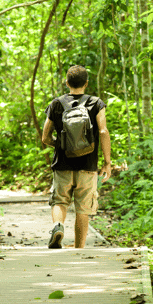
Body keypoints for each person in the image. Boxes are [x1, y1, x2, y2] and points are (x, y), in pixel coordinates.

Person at [41, 65, 111, 248]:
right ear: (86, 83)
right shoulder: (96, 103)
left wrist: (62, 145)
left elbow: (45, 137)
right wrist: (107, 162)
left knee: (59, 201)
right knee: (83, 208)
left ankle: (58, 226)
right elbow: (103, 131)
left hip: (62, 165)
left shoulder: (56, 103)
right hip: (88, 165)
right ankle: (79, 248)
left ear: (67, 83)